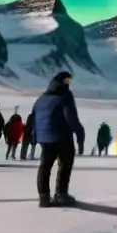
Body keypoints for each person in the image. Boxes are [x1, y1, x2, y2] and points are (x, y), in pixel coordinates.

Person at [32, 71, 85, 206]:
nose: (68, 83)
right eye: (67, 80)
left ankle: (44, 197)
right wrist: (80, 133)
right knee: (65, 163)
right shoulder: (65, 95)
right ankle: (61, 194)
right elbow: (71, 117)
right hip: (61, 134)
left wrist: (34, 135)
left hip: (43, 136)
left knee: (45, 164)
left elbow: (33, 117)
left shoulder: (41, 98)